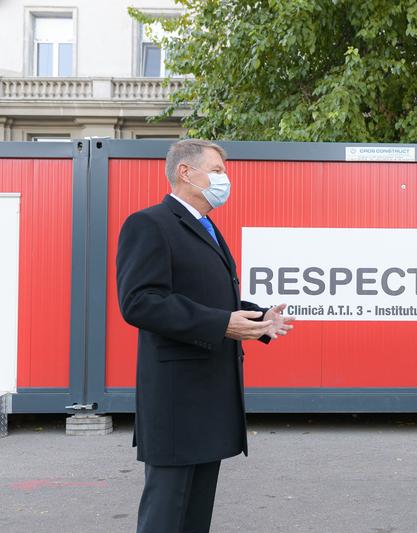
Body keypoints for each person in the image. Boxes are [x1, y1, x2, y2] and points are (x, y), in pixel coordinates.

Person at [116, 139, 295, 533]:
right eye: (216, 170)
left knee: (194, 517)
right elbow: (140, 302)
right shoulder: (149, 224)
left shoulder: (206, 227)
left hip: (207, 399)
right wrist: (222, 325)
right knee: (166, 516)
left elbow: (212, 298)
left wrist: (259, 318)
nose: (224, 179)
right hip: (177, 402)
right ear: (185, 172)